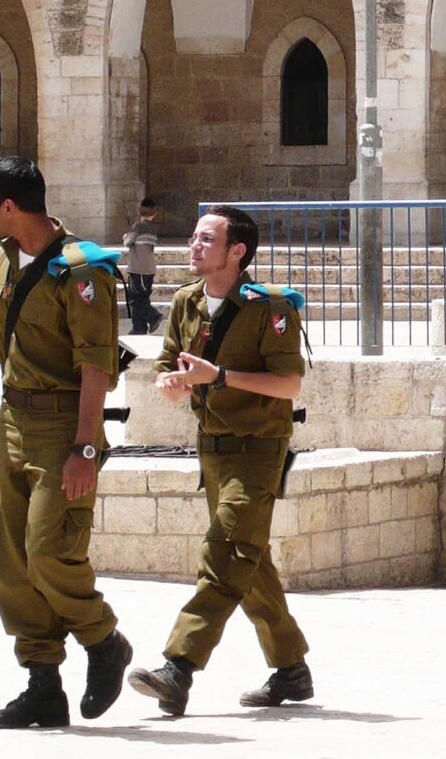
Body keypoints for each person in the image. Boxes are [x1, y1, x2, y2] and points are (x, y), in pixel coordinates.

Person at [0, 155, 132, 729]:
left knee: (47, 550)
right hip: (12, 423)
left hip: (64, 428)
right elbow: (0, 349)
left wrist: (86, 448)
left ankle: (103, 639)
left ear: (10, 206)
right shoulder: (6, 259)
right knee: (11, 563)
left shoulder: (82, 271)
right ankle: (42, 683)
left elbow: (96, 369)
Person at [126, 205, 313, 717]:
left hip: (257, 449)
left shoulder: (269, 306)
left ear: (237, 251)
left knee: (226, 552)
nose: (194, 247)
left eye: (207, 239)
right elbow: (169, 365)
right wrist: (170, 381)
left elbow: (289, 385)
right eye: (193, 237)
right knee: (248, 560)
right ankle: (291, 669)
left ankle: (178, 667)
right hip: (212, 449)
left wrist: (221, 377)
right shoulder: (187, 300)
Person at [121, 198, 163, 336]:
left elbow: (128, 242)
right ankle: (139, 328)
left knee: (135, 299)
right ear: (155, 213)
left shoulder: (138, 227)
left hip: (137, 268)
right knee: (143, 297)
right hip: (149, 268)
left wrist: (126, 236)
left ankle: (153, 316)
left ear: (139, 211)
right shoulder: (153, 228)